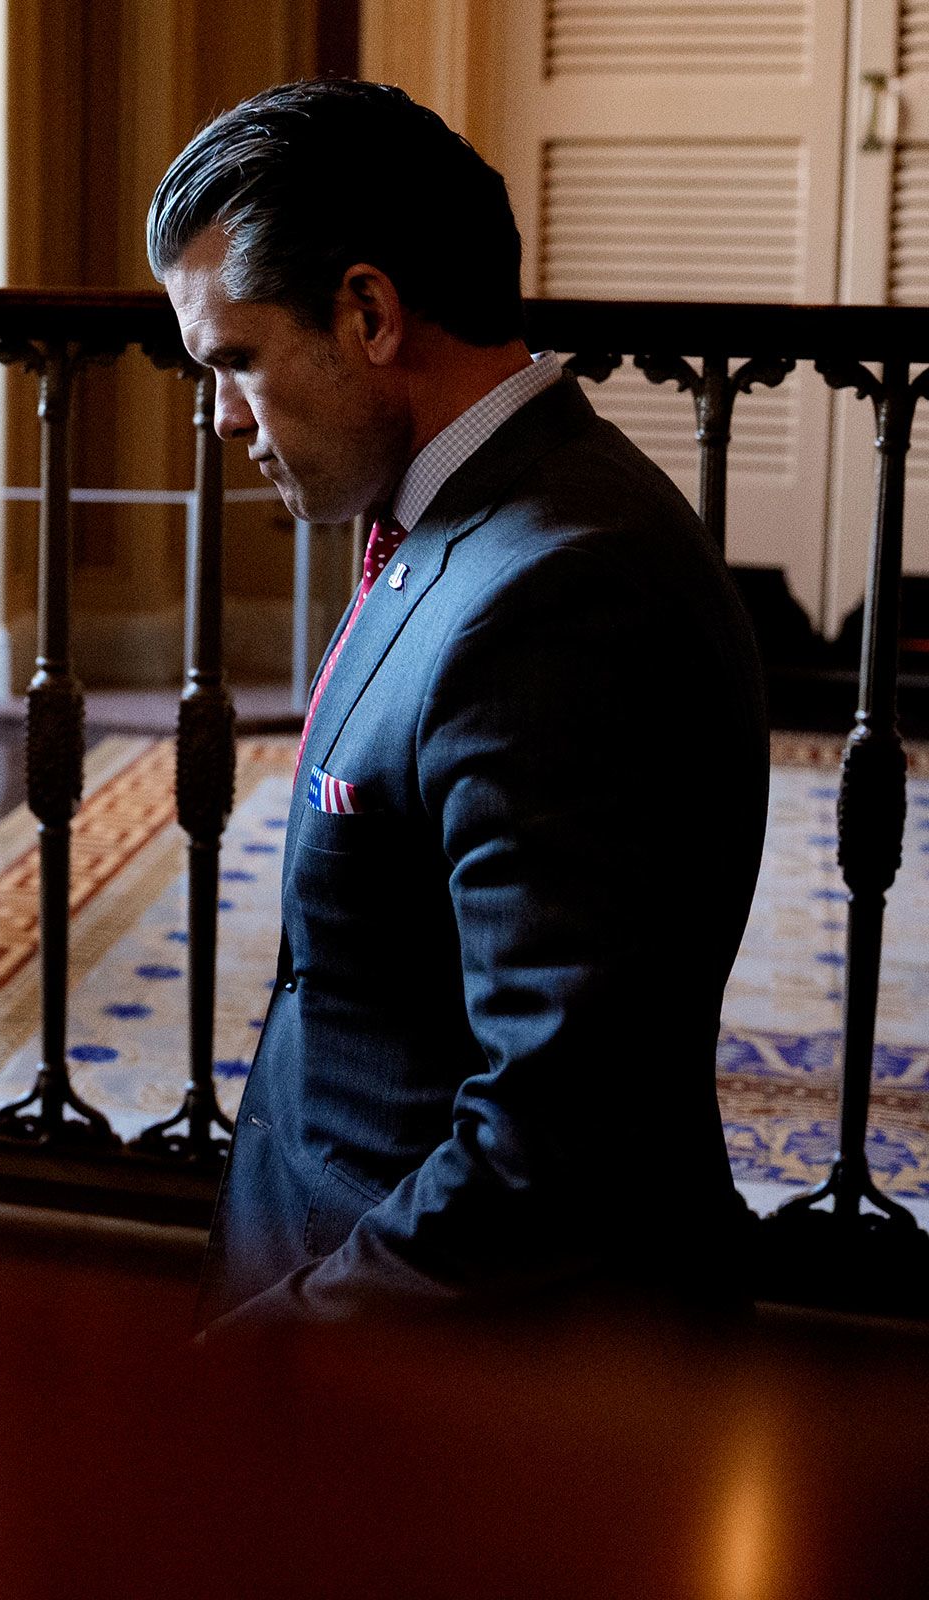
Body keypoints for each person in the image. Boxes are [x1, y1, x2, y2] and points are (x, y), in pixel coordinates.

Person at [149, 80, 768, 1330]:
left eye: (236, 360)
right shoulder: (465, 516)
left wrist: (273, 1354)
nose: (218, 417)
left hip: (465, 1389)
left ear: (368, 311)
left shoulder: (558, 592)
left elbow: (560, 1134)